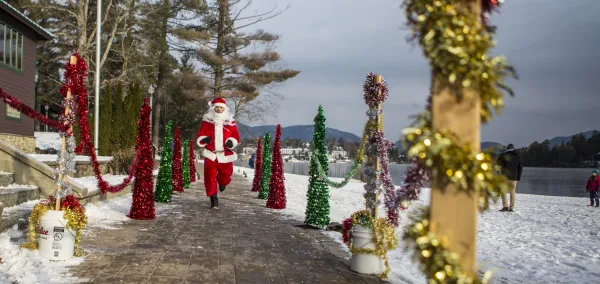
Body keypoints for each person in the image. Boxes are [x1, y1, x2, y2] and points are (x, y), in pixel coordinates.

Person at [196, 98, 240, 209]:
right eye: (217, 107)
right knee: (210, 177)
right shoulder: (207, 122)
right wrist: (204, 139)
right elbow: (200, 135)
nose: (219, 109)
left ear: (224, 109)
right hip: (210, 154)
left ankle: (223, 183)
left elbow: (236, 137)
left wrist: (231, 142)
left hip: (225, 155)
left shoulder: (230, 123)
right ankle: (213, 199)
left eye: (221, 107)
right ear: (213, 108)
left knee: (226, 175)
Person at [497, 144, 523, 212]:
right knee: (513, 192)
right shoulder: (518, 156)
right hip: (514, 177)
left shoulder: (504, 155)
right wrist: (518, 177)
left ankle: (505, 206)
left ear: (507, 148)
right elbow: (520, 168)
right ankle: (511, 208)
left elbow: (497, 163)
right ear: (514, 148)